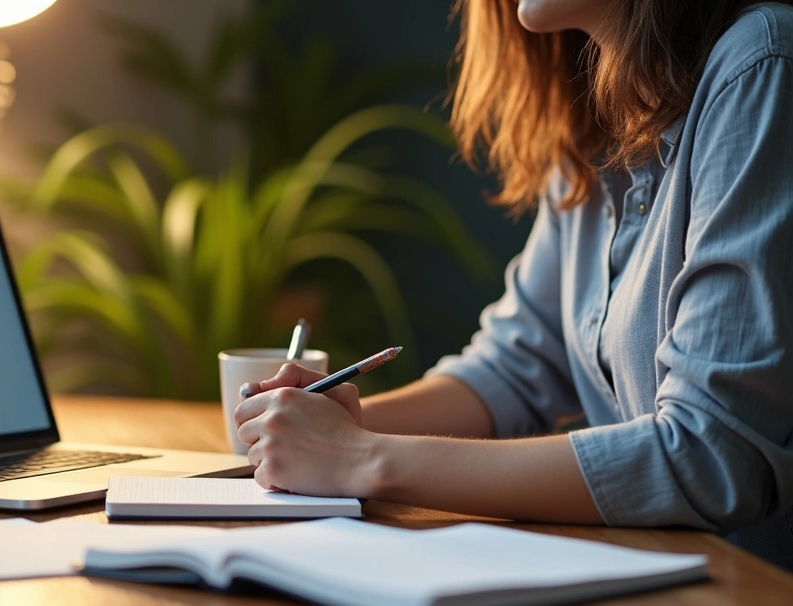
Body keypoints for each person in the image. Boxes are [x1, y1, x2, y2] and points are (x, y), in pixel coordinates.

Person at [234, 0, 793, 571]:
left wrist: (364, 457)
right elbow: (516, 369)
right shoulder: (596, 125)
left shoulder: (762, 65)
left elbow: (712, 455)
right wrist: (327, 429)